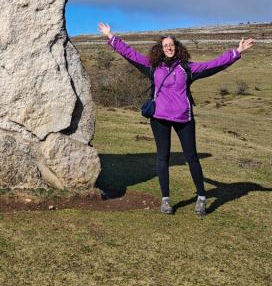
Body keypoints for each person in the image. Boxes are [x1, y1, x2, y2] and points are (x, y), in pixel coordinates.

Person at [97, 21, 254, 216]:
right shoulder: (152, 67)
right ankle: (165, 201)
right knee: (162, 158)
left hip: (184, 119)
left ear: (176, 48)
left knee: (192, 158)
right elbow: (131, 54)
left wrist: (236, 52)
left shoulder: (187, 69)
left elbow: (213, 64)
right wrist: (111, 37)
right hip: (159, 118)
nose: (169, 48)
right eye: (165, 46)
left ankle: (202, 198)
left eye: (172, 45)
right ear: (160, 50)